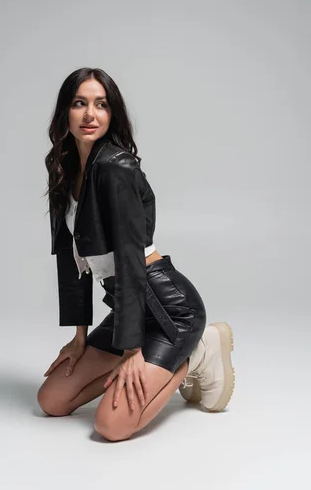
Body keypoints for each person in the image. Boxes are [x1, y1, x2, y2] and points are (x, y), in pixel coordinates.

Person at [37, 67, 235, 441]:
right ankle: (168, 354)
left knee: (110, 427)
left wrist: (132, 352)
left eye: (101, 105)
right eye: (80, 103)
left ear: (113, 115)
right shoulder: (62, 167)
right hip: (128, 311)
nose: (90, 115)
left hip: (168, 312)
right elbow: (70, 258)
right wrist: (80, 337)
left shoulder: (116, 167)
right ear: (66, 111)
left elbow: (129, 263)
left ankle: (195, 349)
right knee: (53, 401)